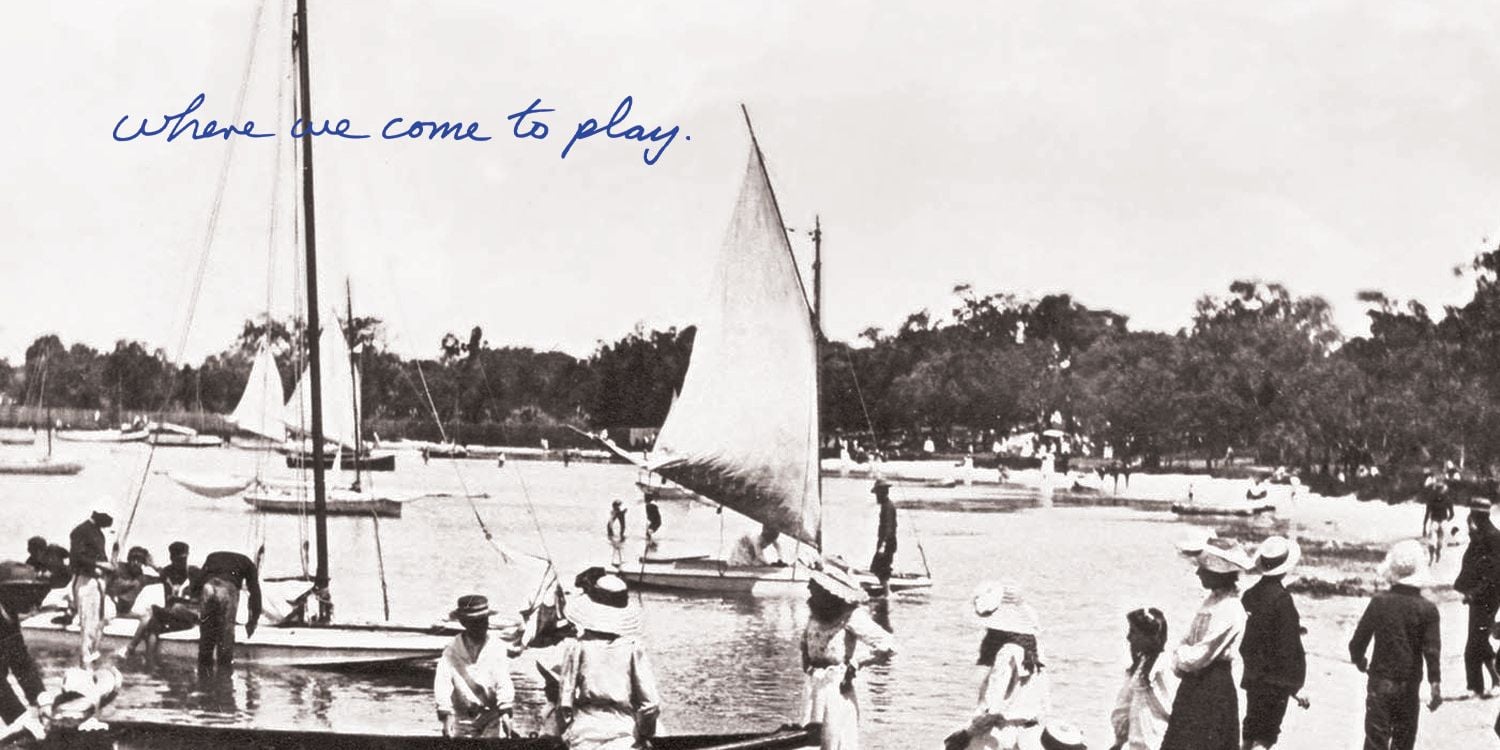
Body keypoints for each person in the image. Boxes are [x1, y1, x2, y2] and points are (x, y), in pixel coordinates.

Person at [1349, 540, 1442, 750]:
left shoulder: (1379, 602)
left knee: (1375, 740)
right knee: (1403, 742)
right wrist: (1435, 685)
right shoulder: (1428, 609)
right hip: (1409, 683)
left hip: (1380, 679)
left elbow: (1358, 641)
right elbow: (1431, 651)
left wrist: (1359, 660)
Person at [1159, 537, 1251, 750]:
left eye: (1204, 568)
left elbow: (1199, 655)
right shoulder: (1210, 603)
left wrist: (1180, 655)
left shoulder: (1231, 609)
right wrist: (1182, 654)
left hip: (1213, 686)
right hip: (1193, 685)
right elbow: (1186, 640)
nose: (1198, 573)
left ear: (1217, 571)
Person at [559, 573, 662, 750]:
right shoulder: (633, 648)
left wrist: (567, 730)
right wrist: (645, 733)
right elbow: (650, 704)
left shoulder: (577, 647)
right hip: (623, 734)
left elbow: (565, 701)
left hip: (584, 734)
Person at [802, 567, 895, 750]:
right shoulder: (816, 612)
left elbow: (887, 644)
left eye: (814, 588)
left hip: (836, 686)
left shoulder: (850, 616)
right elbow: (805, 640)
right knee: (808, 738)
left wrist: (858, 662)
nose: (809, 590)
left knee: (834, 739)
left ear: (828, 592)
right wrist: (805, 658)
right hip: (814, 684)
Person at [947, 582, 1044, 750]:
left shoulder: (1006, 654)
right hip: (1027, 734)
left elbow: (992, 708)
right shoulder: (1033, 650)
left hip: (998, 736)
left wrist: (966, 734)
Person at [1240, 537, 1308, 750]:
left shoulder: (1249, 595)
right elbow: (1289, 648)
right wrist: (1295, 686)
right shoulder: (1282, 600)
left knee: (1250, 729)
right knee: (1266, 735)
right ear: (1285, 569)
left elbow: (1246, 642)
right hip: (1275, 681)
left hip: (1253, 676)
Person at [435, 594, 515, 738]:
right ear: (464, 623)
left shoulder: (496, 647)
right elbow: (442, 684)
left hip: (491, 716)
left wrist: (506, 710)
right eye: (475, 622)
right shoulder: (452, 650)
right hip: (463, 718)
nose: (481, 626)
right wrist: (446, 714)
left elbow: (503, 680)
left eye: (484, 620)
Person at [118, 541, 200, 662]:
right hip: (172, 617)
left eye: (183, 559)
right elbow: (158, 573)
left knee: (175, 607)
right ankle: (149, 665)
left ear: (187, 556)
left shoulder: (194, 572)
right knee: (152, 626)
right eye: (178, 560)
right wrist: (152, 565)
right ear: (171, 558)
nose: (181, 562)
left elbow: (201, 597)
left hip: (188, 615)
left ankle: (131, 649)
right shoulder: (168, 572)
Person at [1453, 499, 1500, 699]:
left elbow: (1494, 574)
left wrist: (1474, 592)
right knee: (1477, 640)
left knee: (1477, 640)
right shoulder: (1481, 535)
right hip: (1482, 596)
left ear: (1475, 515)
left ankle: (1489, 681)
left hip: (1489, 596)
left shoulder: (1492, 537)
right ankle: (1478, 685)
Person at [1109, 607, 1172, 750]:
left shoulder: (1162, 668)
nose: (1129, 637)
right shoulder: (1141, 667)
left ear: (1150, 637)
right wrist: (1118, 743)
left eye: (1134, 632)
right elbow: (1124, 709)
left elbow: (1172, 710)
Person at [196, 550, 262, 675]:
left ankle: (203, 681)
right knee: (225, 638)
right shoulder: (249, 564)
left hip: (208, 587)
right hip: (227, 589)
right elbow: (255, 592)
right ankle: (224, 679)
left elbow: (199, 582)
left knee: (206, 639)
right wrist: (253, 620)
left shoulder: (212, 557)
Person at [68, 501, 115, 667]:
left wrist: (108, 566)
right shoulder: (81, 531)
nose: (111, 522)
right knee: (88, 624)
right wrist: (100, 565)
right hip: (86, 581)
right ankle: (85, 661)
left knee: (103, 618)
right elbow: (76, 557)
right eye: (109, 518)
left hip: (97, 582)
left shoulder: (98, 533)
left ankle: (92, 656)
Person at [0, 565, 46, 731]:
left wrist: (42, 698)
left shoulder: (8, 616)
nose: (31, 596)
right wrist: (18, 716)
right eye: (24, 591)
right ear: (7, 592)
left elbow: (21, 663)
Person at [105, 546, 156, 617]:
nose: (135, 562)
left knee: (147, 615)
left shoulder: (142, 578)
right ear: (129, 560)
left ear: (143, 563)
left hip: (124, 612)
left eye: (139, 561)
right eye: (133, 559)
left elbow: (165, 578)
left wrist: (153, 565)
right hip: (109, 606)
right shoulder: (119, 567)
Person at [870, 480, 898, 591]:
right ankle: (884, 589)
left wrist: (883, 546)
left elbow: (888, 528)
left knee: (881, 569)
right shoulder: (886, 505)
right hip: (886, 543)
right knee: (877, 567)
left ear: (882, 493)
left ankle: (887, 593)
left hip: (887, 543)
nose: (876, 497)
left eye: (878, 494)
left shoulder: (888, 507)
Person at [1422, 482, 1454, 564]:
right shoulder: (1436, 499)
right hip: (1437, 521)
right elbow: (1427, 513)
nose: (1439, 491)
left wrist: (1446, 520)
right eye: (1438, 489)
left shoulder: (1444, 499)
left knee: (1438, 541)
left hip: (1439, 521)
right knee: (1433, 541)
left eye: (1440, 489)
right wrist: (1424, 527)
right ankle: (1433, 556)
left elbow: (1452, 514)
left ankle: (1436, 554)